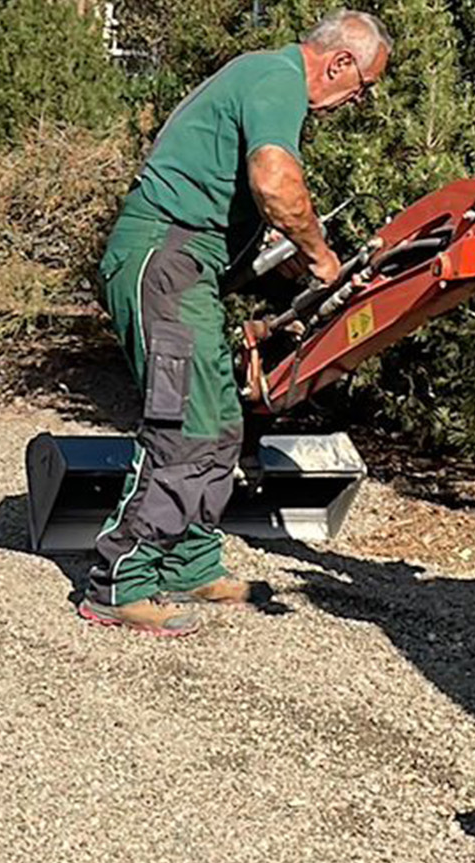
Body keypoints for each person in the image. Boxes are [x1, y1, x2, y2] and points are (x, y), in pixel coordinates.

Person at [78, 9, 392, 637]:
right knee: (185, 419)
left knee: (219, 421)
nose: (354, 103)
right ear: (338, 63)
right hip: (164, 257)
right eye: (361, 89)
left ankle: (188, 561)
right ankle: (121, 580)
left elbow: (250, 216)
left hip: (186, 266)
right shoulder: (277, 79)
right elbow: (277, 184)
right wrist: (321, 258)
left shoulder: (259, 77)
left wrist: (302, 272)